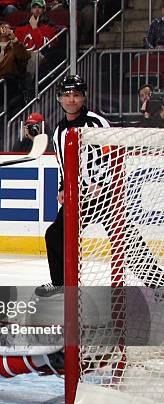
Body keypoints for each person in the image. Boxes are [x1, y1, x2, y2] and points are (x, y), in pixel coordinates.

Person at [36, 75, 164, 296]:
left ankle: (159, 283)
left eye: (76, 95)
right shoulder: (59, 131)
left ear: (83, 97)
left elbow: (111, 155)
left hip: (104, 195)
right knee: (55, 235)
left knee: (124, 238)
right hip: (79, 197)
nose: (71, 100)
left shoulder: (96, 122)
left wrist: (100, 183)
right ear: (59, 98)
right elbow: (63, 164)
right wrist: (62, 188)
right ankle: (61, 282)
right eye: (67, 95)